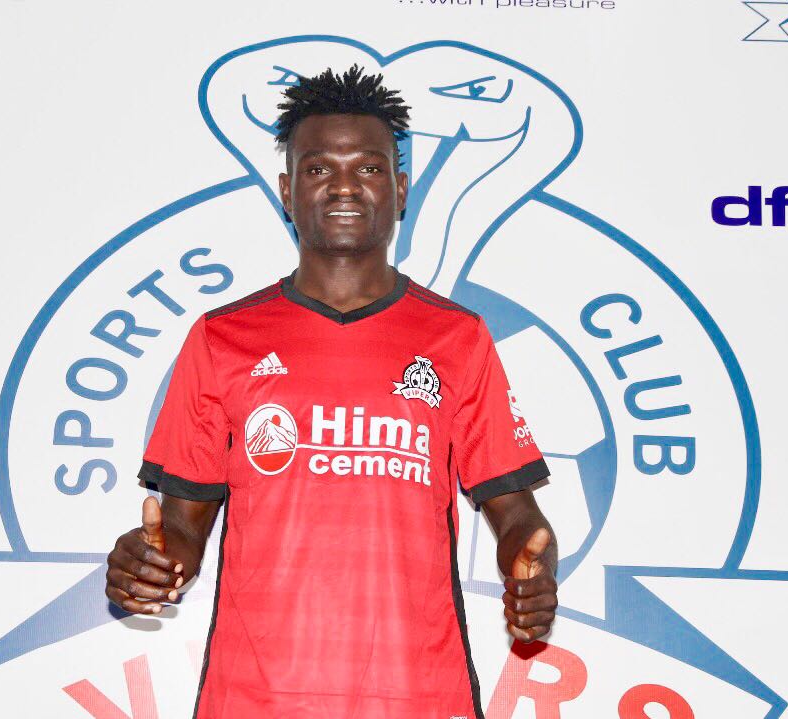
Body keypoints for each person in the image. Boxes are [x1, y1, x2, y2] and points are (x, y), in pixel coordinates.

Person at [105, 65, 558, 719]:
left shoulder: (458, 338)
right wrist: (147, 562)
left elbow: (518, 518)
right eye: (319, 168)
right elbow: (179, 528)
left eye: (369, 167)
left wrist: (533, 568)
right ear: (288, 191)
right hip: (256, 700)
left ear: (400, 189)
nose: (345, 185)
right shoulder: (221, 338)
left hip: (418, 697)